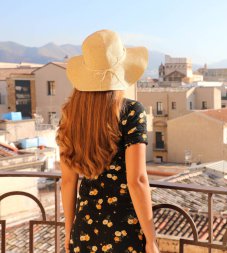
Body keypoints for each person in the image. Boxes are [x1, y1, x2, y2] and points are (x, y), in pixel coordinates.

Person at [57, 29, 160, 253]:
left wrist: (69, 229)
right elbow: (138, 181)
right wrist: (151, 239)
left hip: (83, 230)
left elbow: (67, 182)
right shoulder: (131, 111)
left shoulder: (70, 115)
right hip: (125, 233)